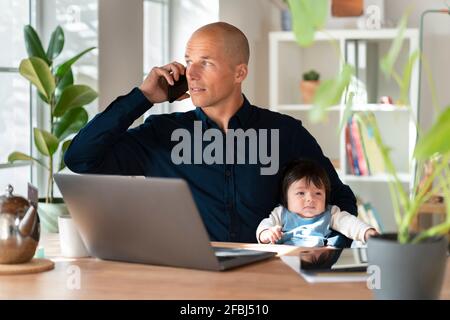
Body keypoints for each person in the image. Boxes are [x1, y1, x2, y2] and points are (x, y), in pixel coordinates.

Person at [64, 22, 358, 245]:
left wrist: (321, 252)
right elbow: (81, 159)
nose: (191, 73)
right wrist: (142, 97)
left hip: (270, 279)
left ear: (239, 73)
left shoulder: (285, 133)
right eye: (189, 61)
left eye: (205, 63)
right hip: (185, 279)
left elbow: (340, 198)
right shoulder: (162, 134)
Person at [256, 159, 378, 246]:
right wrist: (267, 233)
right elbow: (264, 225)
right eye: (301, 193)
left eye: (318, 193)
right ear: (286, 197)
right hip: (286, 260)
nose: (310, 199)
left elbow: (349, 223)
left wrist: (367, 232)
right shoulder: (281, 213)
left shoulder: (330, 213)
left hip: (317, 260)